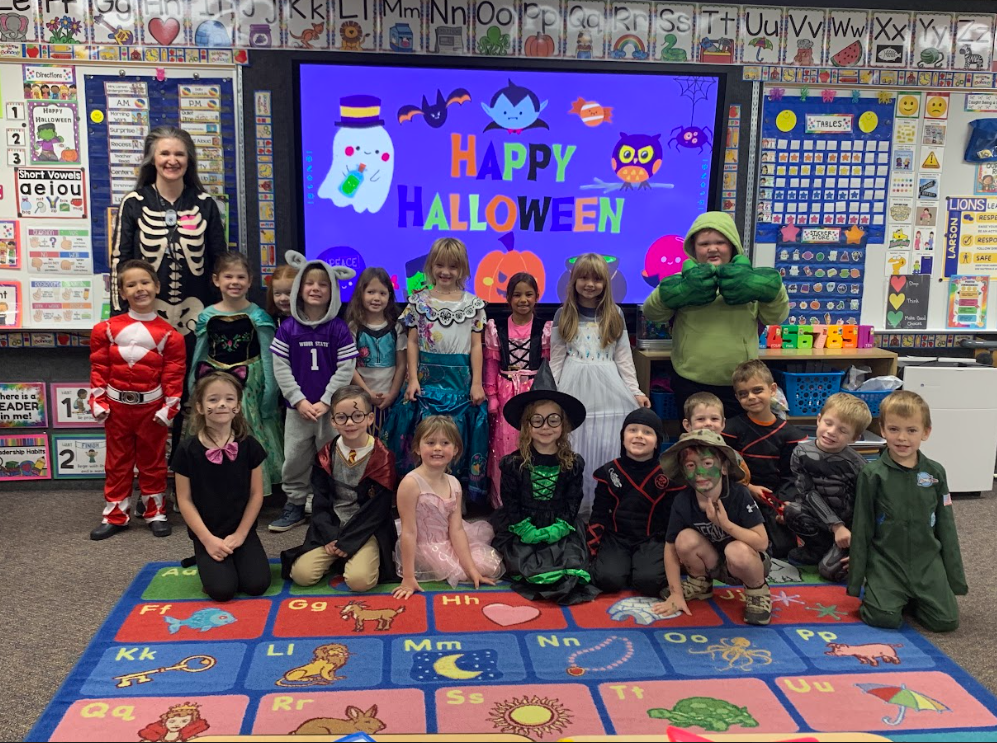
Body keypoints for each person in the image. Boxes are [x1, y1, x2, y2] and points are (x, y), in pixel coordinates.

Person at [642, 211, 788, 419]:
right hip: (690, 379)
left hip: (741, 383)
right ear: (693, 248)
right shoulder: (680, 279)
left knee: (737, 442)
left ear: (732, 246)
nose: (712, 248)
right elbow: (652, 313)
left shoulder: (752, 279)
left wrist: (772, 291)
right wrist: (680, 292)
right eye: (704, 243)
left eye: (720, 242)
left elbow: (776, 316)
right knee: (696, 442)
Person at [848, 391, 967, 632]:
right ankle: (890, 596)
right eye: (894, 429)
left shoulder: (935, 473)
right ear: (882, 429)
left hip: (927, 561)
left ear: (926, 432)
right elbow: (862, 527)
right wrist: (856, 580)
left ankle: (912, 598)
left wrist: (955, 578)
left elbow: (946, 524)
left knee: (946, 622)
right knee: (883, 617)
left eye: (911, 430)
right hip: (887, 562)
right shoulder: (872, 475)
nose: (902, 438)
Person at [385, 238, 489, 505]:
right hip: (427, 383)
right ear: (431, 266)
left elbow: (476, 346)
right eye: (440, 265)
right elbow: (411, 341)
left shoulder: (473, 304)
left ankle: (454, 496)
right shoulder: (418, 302)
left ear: (463, 269)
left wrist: (477, 383)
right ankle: (419, 493)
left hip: (460, 385)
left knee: (457, 437)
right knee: (425, 436)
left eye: (453, 267)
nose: (446, 272)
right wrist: (413, 379)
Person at [89, 259, 185, 540]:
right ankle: (115, 515)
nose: (139, 289)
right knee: (117, 462)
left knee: (153, 461)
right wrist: (98, 400)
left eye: (145, 282)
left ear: (156, 286)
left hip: (151, 408)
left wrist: (170, 407)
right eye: (131, 284)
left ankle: (155, 512)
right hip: (117, 407)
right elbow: (99, 368)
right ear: (121, 292)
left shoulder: (171, 336)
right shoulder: (104, 330)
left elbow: (173, 375)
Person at [491, 364, 600, 605]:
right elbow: (511, 501)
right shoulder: (513, 464)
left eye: (553, 420)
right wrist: (525, 529)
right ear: (527, 425)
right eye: (537, 420)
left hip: (560, 523)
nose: (545, 427)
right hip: (523, 523)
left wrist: (558, 528)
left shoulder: (573, 463)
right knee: (525, 561)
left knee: (569, 562)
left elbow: (573, 501)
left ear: (563, 425)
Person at [551, 253, 649, 518]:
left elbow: (623, 359)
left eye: (596, 278)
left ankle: (604, 505)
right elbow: (556, 360)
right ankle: (577, 507)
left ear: (606, 282)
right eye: (583, 277)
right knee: (576, 442)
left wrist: (636, 390)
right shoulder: (563, 314)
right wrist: (553, 395)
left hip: (609, 388)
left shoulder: (614, 313)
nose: (589, 284)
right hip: (574, 386)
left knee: (606, 442)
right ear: (574, 280)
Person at [269, 250, 358, 532]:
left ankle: (331, 502)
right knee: (295, 457)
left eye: (323, 284)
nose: (316, 289)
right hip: (298, 410)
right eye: (310, 283)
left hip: (331, 412)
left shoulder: (339, 329)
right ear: (299, 289)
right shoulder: (288, 329)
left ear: (332, 291)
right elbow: (281, 368)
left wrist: (326, 401)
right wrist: (299, 400)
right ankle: (294, 502)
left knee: (332, 457)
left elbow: (345, 368)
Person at [110, 126, 227, 336]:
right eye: (164, 153)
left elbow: (220, 262)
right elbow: (119, 262)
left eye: (179, 154)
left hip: (197, 314)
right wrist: (118, 315)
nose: (172, 160)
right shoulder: (134, 203)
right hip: (144, 314)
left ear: (189, 160)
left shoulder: (205, 204)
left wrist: (221, 314)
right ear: (152, 159)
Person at [281, 386, 398, 592]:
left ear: (370, 418)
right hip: (332, 527)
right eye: (342, 417)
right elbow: (320, 500)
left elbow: (377, 511)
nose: (350, 423)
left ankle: (357, 557)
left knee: (359, 582)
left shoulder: (382, 457)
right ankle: (341, 557)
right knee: (302, 575)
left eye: (357, 416)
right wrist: (331, 536)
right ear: (333, 421)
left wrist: (349, 541)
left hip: (365, 529)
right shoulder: (326, 455)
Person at [653, 429, 772, 625]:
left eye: (708, 464)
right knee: (684, 538)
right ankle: (700, 583)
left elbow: (761, 543)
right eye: (691, 465)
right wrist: (675, 593)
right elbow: (670, 547)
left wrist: (724, 524)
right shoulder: (683, 501)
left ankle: (757, 591)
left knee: (736, 550)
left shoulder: (739, 494)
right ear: (684, 471)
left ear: (724, 467)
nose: (700, 473)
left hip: (747, 562)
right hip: (712, 562)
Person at [188, 252, 283, 496]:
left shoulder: (258, 316)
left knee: (247, 430)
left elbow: (268, 354)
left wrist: (270, 391)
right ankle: (216, 486)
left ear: (250, 281)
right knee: (216, 428)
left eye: (240, 277)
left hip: (249, 383)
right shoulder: (207, 316)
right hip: (213, 380)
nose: (234, 282)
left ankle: (252, 488)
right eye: (228, 276)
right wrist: (192, 387)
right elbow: (200, 353)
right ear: (216, 280)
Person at [173, 372, 272, 602]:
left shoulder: (249, 446)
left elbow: (256, 495)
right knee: (222, 591)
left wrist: (241, 534)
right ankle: (204, 557)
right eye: (213, 399)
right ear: (199, 406)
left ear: (237, 406)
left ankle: (235, 555)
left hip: (241, 529)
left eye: (229, 399)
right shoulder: (187, 450)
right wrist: (207, 540)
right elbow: (184, 500)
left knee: (257, 585)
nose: (221, 405)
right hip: (207, 531)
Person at [392, 415, 503, 599]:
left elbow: (457, 529)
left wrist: (471, 569)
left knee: (483, 565)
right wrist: (409, 577)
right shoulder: (410, 484)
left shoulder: (454, 483)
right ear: (417, 448)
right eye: (430, 442)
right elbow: (409, 532)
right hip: (421, 545)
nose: (437, 448)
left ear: (455, 449)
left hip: (447, 541)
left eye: (445, 443)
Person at [587, 408, 679, 596]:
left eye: (647, 432)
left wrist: (672, 550)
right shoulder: (609, 471)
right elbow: (599, 513)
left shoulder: (667, 474)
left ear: (657, 442)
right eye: (633, 430)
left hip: (651, 538)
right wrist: (592, 549)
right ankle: (625, 567)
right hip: (616, 538)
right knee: (608, 580)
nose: (639, 436)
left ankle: (637, 568)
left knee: (648, 583)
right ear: (623, 437)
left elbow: (671, 519)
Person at [722, 359, 807, 557]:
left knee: (781, 548)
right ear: (737, 397)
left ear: (773, 389)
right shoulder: (731, 430)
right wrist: (748, 488)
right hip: (738, 494)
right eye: (743, 394)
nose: (751, 397)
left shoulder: (790, 434)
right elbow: (723, 468)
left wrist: (782, 503)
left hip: (772, 499)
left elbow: (791, 476)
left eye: (757, 390)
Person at [783, 392, 871, 580]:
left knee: (831, 572)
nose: (831, 432)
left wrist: (857, 541)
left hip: (850, 526)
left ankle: (847, 553)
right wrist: (835, 525)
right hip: (824, 520)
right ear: (819, 419)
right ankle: (818, 549)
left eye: (842, 430)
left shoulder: (858, 465)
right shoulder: (801, 452)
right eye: (828, 423)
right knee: (791, 510)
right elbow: (807, 492)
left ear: (855, 437)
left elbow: (865, 505)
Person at [483, 272, 551, 508]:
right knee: (505, 443)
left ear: (537, 297)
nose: (523, 300)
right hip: (505, 390)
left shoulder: (545, 329)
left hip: (534, 391)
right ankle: (504, 500)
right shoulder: (496, 328)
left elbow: (548, 365)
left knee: (534, 440)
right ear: (508, 298)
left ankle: (533, 497)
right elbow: (491, 363)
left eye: (529, 294)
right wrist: (491, 395)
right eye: (517, 295)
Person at [345, 267, 407, 439]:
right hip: (361, 399)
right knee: (363, 442)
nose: (376, 298)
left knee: (388, 445)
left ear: (389, 296)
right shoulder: (353, 328)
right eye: (371, 292)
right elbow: (349, 366)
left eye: (382, 293)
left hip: (390, 400)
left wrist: (393, 394)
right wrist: (367, 394)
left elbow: (402, 365)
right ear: (360, 294)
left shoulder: (396, 328)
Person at [682, 391, 751, 481]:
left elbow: (744, 480)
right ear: (687, 425)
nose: (708, 423)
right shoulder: (680, 454)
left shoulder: (732, 456)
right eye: (700, 419)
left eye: (714, 419)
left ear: (723, 423)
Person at [265, 263, 299, 330]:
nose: (283, 298)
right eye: (277, 293)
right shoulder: (269, 321)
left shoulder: (308, 321)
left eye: (289, 293)